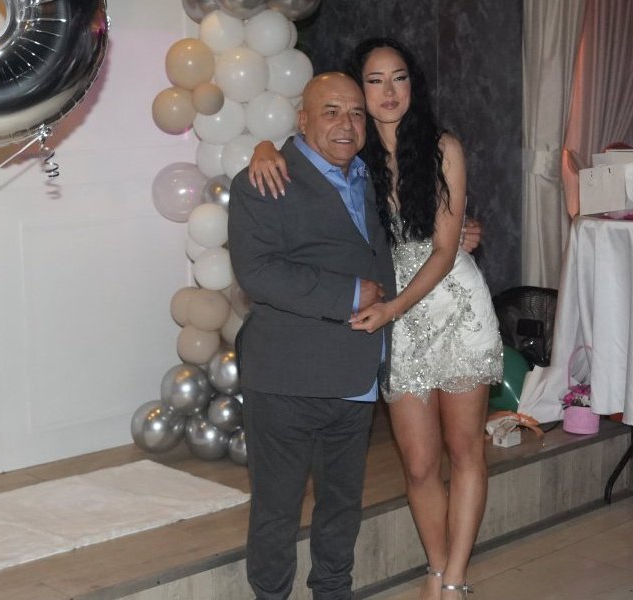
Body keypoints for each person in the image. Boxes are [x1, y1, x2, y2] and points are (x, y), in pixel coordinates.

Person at [249, 38, 503, 600]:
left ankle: (453, 580)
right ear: (358, 91)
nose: (389, 91)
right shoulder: (353, 159)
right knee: (418, 464)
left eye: (399, 78)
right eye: (374, 80)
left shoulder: (442, 148)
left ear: (414, 85)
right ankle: (434, 565)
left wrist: (394, 306)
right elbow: (305, 154)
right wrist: (264, 146)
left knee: (465, 452)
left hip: (451, 305)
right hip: (392, 317)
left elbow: (445, 249)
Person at [228, 72, 396, 600]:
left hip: (355, 375)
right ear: (302, 120)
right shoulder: (264, 179)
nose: (346, 124)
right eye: (331, 111)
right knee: (277, 510)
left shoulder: (368, 176)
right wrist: (350, 293)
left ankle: (333, 591)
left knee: (342, 506)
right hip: (287, 379)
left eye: (356, 113)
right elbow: (258, 272)